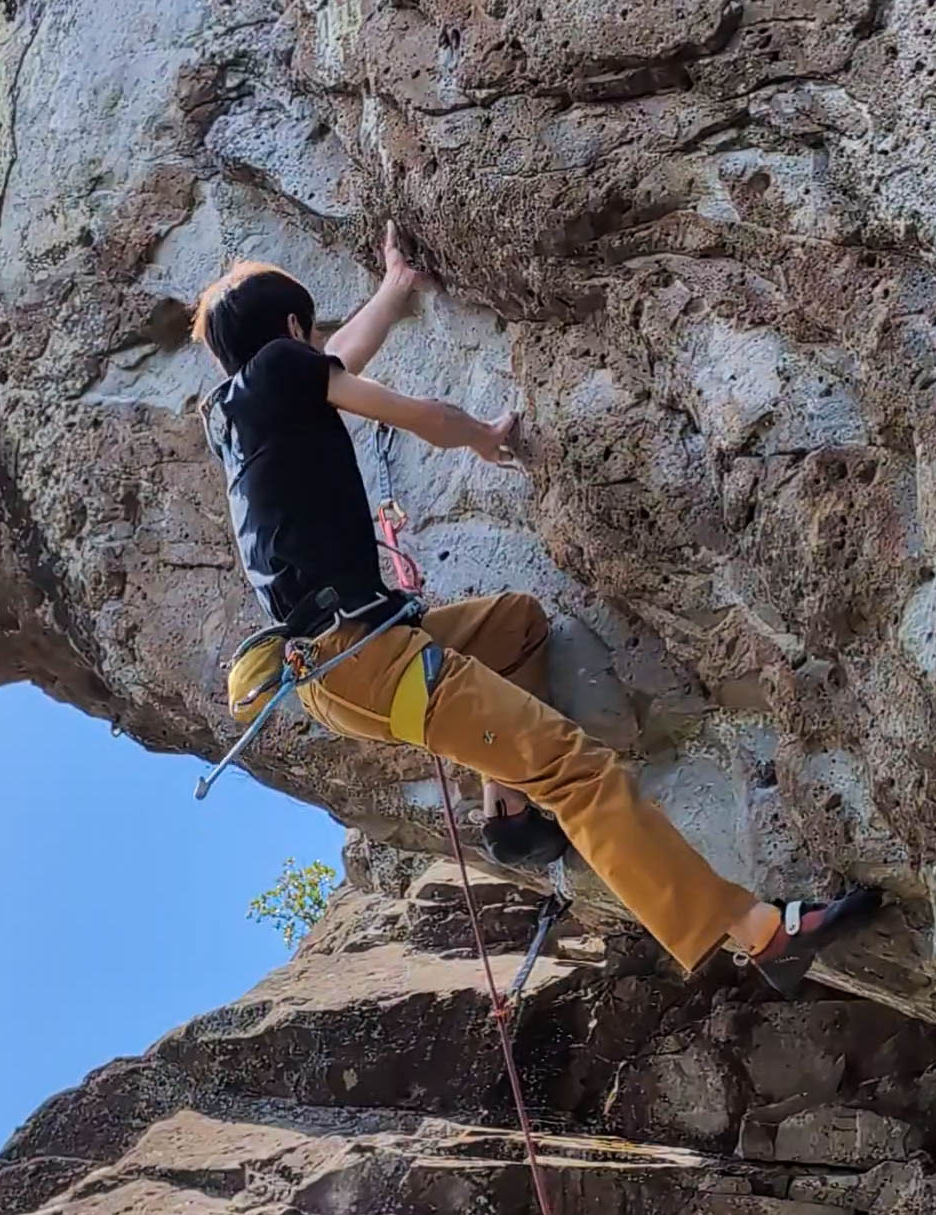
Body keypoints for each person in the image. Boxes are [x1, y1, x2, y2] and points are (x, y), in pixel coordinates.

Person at [190, 224, 877, 995]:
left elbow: (343, 354)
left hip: (340, 666)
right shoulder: (286, 370)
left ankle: (509, 813)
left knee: (514, 624)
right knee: (575, 769)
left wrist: (395, 284)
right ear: (289, 331)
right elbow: (415, 411)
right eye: (307, 332)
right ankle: (761, 934)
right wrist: (482, 437)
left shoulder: (244, 409)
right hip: (371, 661)